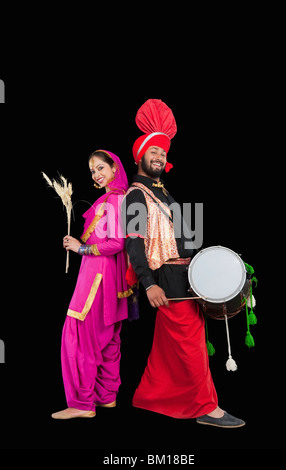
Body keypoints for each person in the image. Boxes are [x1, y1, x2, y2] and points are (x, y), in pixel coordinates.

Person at [123, 99, 245, 428]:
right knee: (191, 344)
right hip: (167, 281)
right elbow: (133, 243)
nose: (160, 157)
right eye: (154, 152)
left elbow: (187, 237)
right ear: (141, 155)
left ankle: (150, 397)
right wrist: (148, 284)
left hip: (185, 275)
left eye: (164, 153)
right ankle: (208, 408)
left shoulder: (163, 192)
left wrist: (213, 265)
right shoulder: (136, 194)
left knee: (168, 348)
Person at [52, 149, 131, 419]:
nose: (96, 174)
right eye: (92, 171)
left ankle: (82, 404)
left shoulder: (117, 201)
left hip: (98, 276)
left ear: (114, 168)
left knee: (79, 335)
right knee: (106, 339)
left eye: (100, 168)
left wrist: (81, 249)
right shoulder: (115, 199)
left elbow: (116, 244)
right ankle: (106, 398)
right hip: (108, 277)